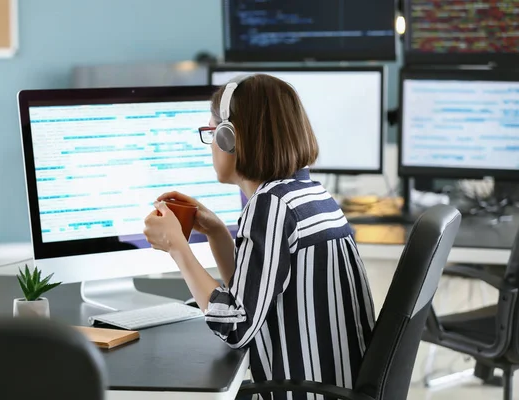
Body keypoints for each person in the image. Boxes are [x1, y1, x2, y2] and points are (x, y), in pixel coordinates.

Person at [143, 74, 375, 399]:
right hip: (334, 388)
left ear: (230, 138)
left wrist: (177, 248)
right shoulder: (306, 194)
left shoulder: (272, 206)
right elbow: (253, 297)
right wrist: (218, 233)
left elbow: (235, 326)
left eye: (211, 133)